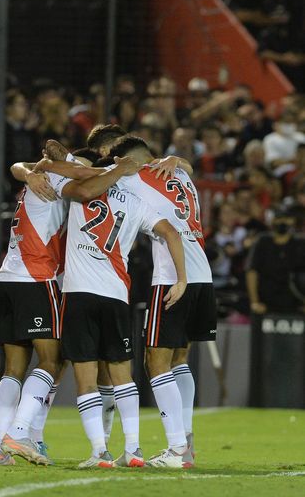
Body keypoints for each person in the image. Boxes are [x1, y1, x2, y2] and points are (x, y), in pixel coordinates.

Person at [42, 142, 187, 469]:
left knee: (86, 376)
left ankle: (99, 452)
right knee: (123, 376)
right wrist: (182, 278)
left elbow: (60, 164)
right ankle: (133, 450)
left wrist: (63, 155)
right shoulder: (136, 202)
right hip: (116, 296)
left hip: (79, 293)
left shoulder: (85, 187)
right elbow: (171, 233)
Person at [108, 135, 216, 468]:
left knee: (155, 362)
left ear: (130, 160)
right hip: (203, 276)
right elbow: (187, 165)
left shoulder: (133, 175)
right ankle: (186, 440)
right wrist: (178, 158)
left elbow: (89, 173)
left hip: (172, 277)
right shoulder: (179, 175)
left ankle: (177, 449)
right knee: (179, 360)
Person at [0, 142, 97, 467]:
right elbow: (84, 181)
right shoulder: (53, 178)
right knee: (52, 360)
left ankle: (3, 446)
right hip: (36, 279)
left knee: (13, 369)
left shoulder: (36, 177)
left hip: (7, 278)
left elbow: (19, 166)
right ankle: (21, 433)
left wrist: (27, 171)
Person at [247, 207, 305, 316]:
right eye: (279, 218)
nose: (282, 222)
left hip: (295, 303)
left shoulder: (300, 243)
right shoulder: (263, 241)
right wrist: (255, 302)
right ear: (272, 220)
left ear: (293, 221)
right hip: (265, 303)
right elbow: (252, 271)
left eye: (287, 218)